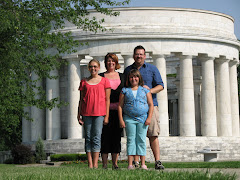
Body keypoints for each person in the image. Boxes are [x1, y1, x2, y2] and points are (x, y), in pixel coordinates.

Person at [124, 45, 165, 170]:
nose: (139, 56)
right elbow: (124, 88)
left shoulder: (152, 69)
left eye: (141, 54)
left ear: (145, 56)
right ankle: (136, 162)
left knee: (153, 134)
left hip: (150, 105)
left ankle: (157, 161)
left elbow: (161, 86)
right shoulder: (128, 70)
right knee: (135, 136)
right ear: (133, 56)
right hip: (133, 109)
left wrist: (149, 91)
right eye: (137, 54)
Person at [77, 59, 111, 169]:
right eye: (91, 66)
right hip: (86, 113)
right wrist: (79, 114)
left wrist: (106, 116)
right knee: (88, 138)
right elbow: (81, 99)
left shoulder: (104, 81)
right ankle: (90, 164)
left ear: (99, 67)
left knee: (96, 138)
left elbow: (107, 99)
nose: (93, 69)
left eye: (95, 66)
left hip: (99, 113)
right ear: (88, 68)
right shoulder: (84, 82)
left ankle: (96, 164)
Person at [118, 69, 153, 170]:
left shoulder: (145, 90)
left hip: (142, 118)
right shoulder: (125, 90)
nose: (134, 79)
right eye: (131, 77)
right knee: (131, 140)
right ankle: (130, 163)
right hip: (129, 119)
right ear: (129, 79)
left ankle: (142, 163)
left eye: (136, 77)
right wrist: (121, 119)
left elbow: (150, 105)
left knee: (141, 139)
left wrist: (149, 118)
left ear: (139, 78)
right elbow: (120, 106)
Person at [99, 53, 124, 170]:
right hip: (104, 111)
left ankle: (115, 163)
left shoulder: (122, 76)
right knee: (104, 137)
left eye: (112, 61)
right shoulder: (100, 76)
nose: (110, 63)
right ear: (105, 63)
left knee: (116, 137)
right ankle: (104, 164)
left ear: (116, 62)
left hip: (118, 111)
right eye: (108, 61)